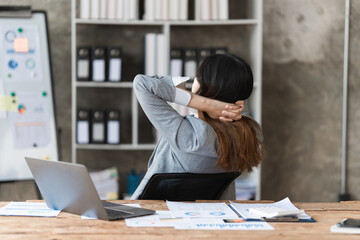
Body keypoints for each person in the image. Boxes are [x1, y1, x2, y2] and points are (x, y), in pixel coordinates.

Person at [131, 54, 264, 199]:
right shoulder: (250, 134)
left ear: (206, 87)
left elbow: (142, 83)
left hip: (156, 214)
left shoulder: (192, 135)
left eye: (197, 77)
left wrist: (207, 104)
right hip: (207, 216)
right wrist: (227, 106)